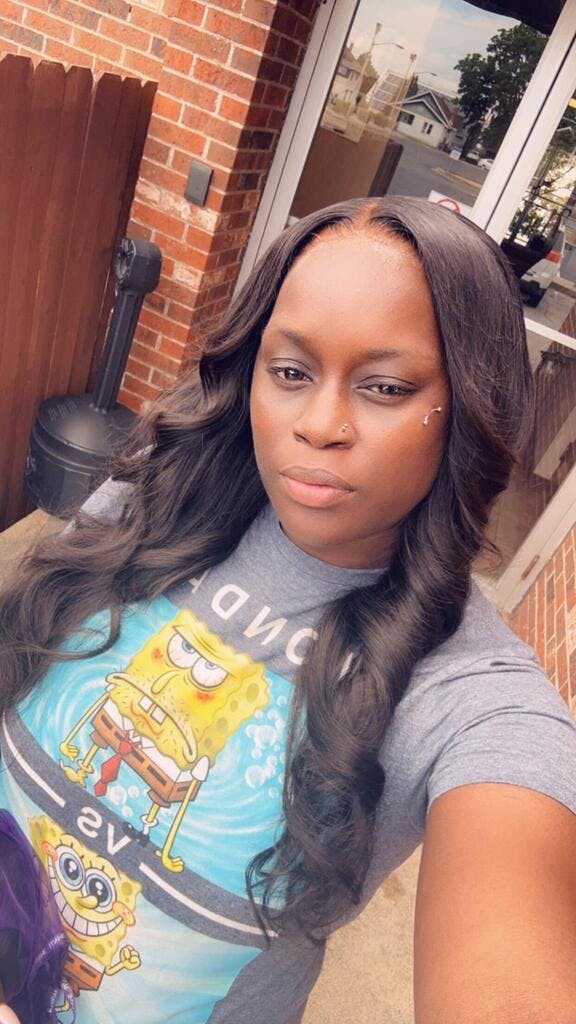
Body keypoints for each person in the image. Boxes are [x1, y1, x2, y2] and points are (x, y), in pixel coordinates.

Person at [1, 195, 575, 1024]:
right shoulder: (157, 496)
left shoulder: (476, 705)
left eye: (385, 386)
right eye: (293, 373)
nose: (319, 424)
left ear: (468, 412)